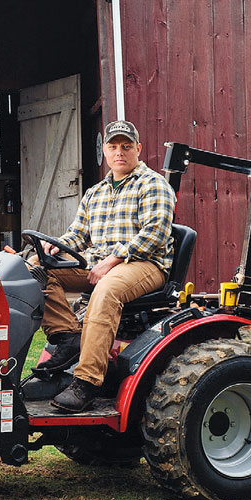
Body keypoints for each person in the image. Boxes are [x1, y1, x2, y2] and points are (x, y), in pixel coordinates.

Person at [40, 120, 175, 412]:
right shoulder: (95, 192)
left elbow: (155, 233)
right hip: (100, 263)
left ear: (138, 149)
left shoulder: (153, 185)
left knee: (106, 289)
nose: (119, 152)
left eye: (126, 146)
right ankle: (68, 336)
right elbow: (78, 234)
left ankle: (86, 383)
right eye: (113, 146)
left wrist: (112, 261)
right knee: (40, 270)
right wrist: (53, 246)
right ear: (104, 151)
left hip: (145, 264)